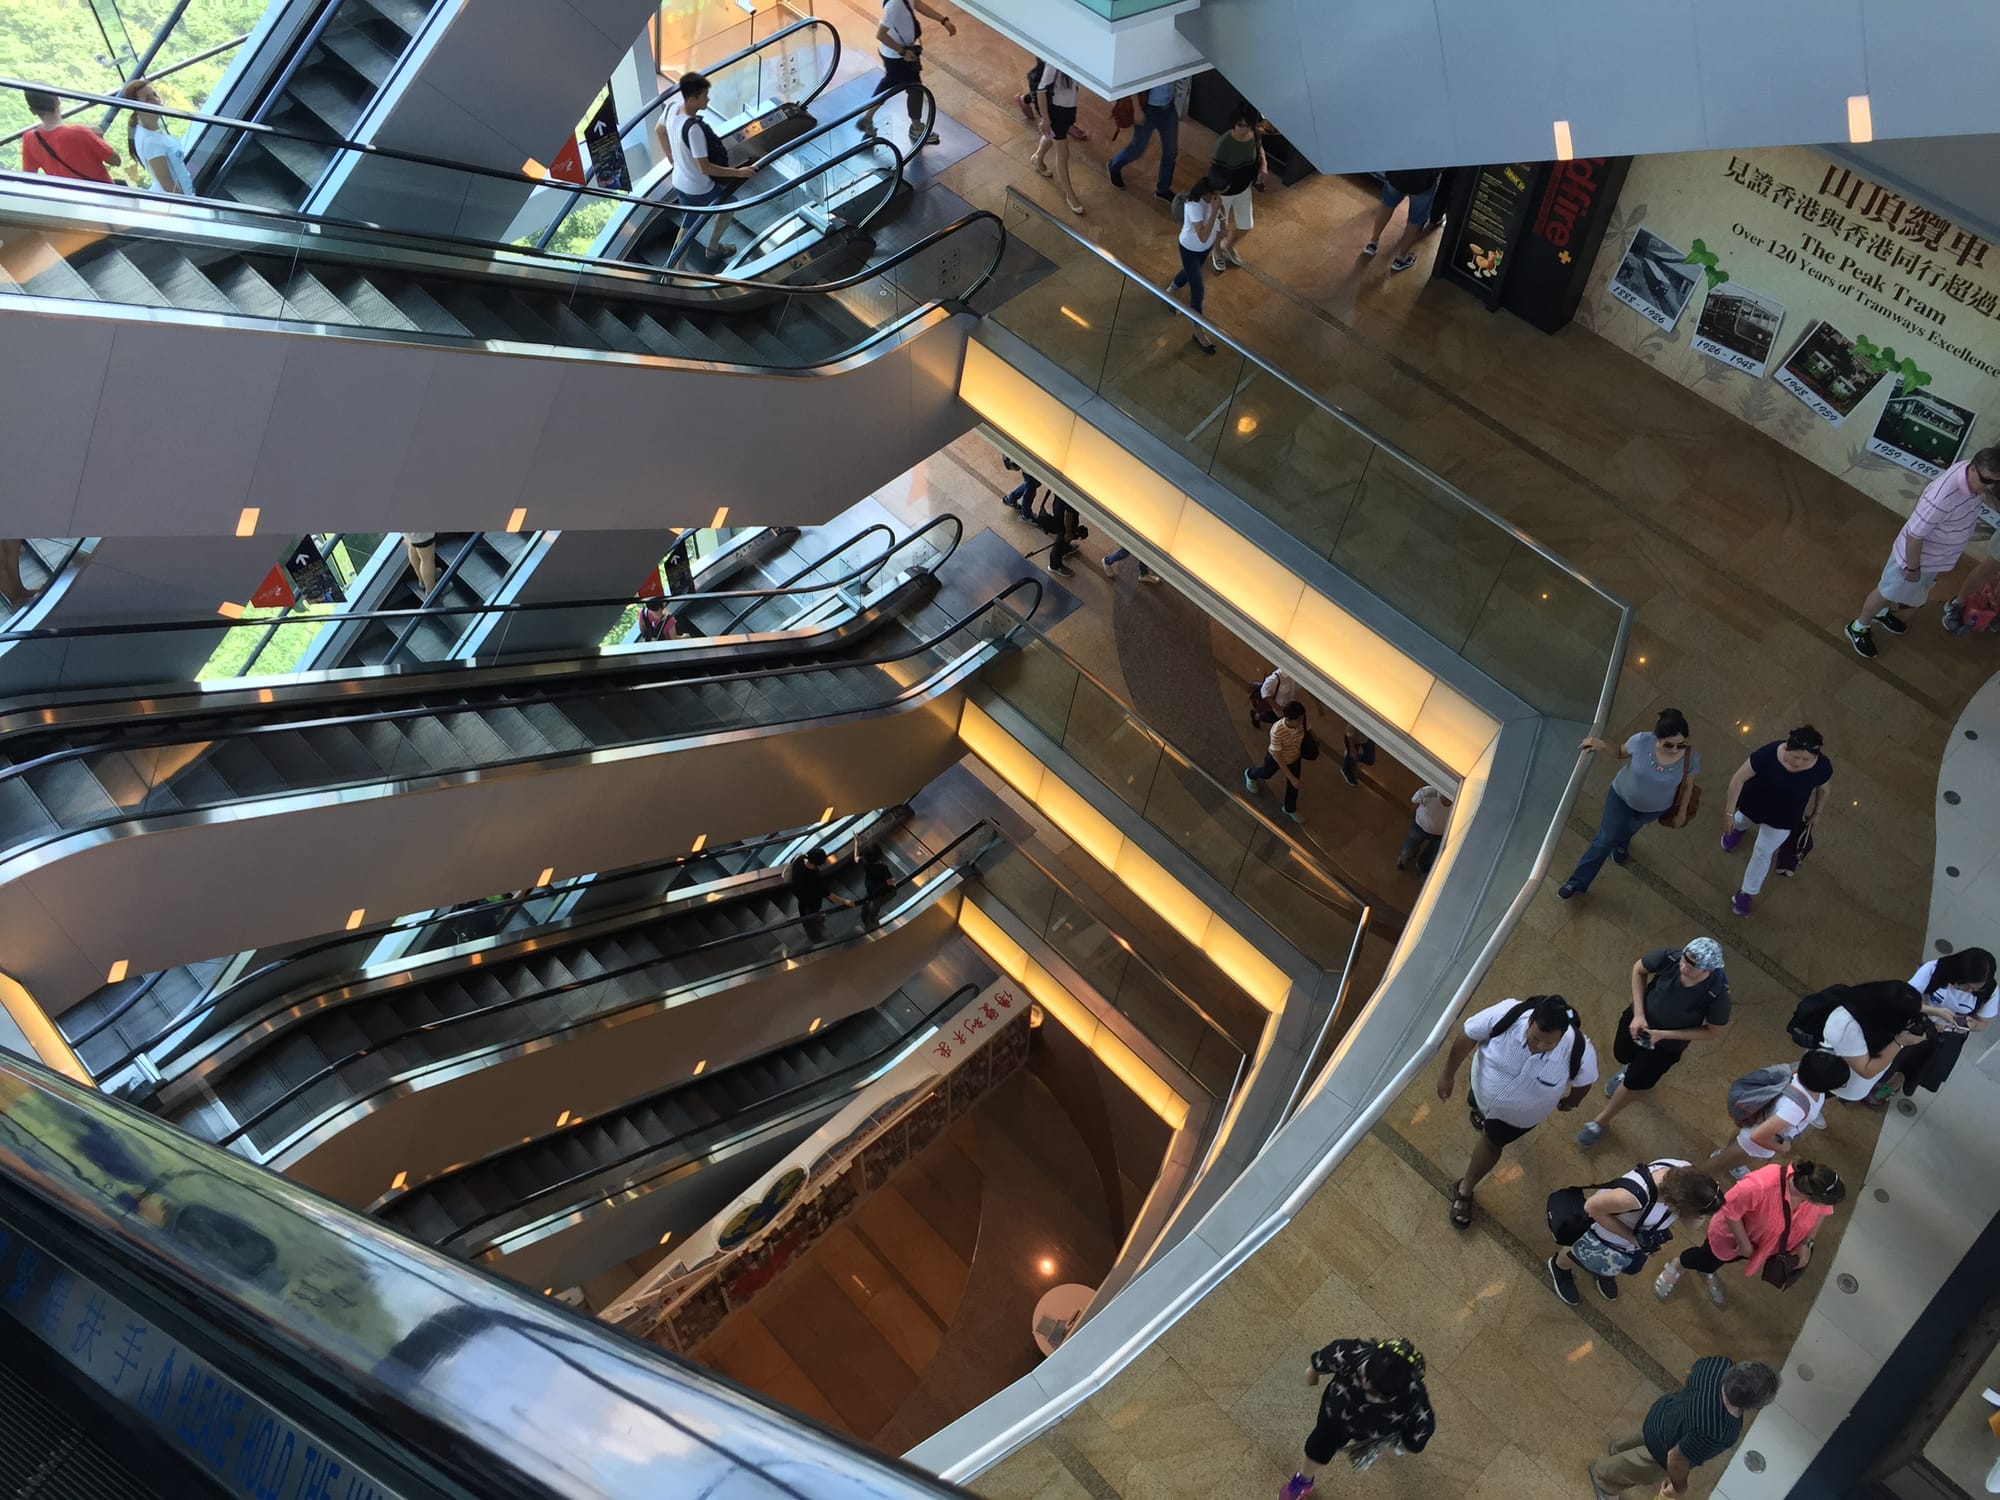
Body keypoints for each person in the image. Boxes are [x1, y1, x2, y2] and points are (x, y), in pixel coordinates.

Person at [1434, 995, 1597, 1229]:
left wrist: (1572, 1101)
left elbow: (1585, 1082)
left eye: (1549, 1043)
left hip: (1516, 1119)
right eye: (1535, 1038)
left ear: (1562, 1036)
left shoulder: (1580, 1050)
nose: (1538, 1046)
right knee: (1477, 1104)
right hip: (1481, 1090)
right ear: (1530, 1021)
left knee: (1491, 1144)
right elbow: (1468, 1035)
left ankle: (1465, 1189)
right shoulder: (1507, 1014)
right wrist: (1447, 1074)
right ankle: (1480, 1112)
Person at [1576, 937, 1731, 1148]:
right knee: (1621, 1054)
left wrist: (1664, 1035)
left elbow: (1713, 1031)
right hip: (1638, 1022)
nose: (1684, 967)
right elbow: (1639, 969)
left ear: (1708, 971)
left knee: (1634, 1083)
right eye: (1684, 960)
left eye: (1692, 967)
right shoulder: (1669, 958)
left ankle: (1600, 1121)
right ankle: (1628, 1067)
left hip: (1666, 1047)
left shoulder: (1717, 995)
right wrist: (1639, 1014)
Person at [1847, 448, 2000, 659]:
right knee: (1886, 592)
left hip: (1933, 560)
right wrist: (1913, 567)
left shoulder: (1974, 480)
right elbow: (1914, 534)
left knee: (1899, 594)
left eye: (1994, 482)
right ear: (1972, 468)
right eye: (1986, 480)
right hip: (1915, 560)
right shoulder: (1943, 496)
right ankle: (1859, 626)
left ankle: (1881, 614)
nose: (1989, 487)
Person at [1656, 1160, 1844, 1309]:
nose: (1824, 1207)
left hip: (1758, 1246)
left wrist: (1807, 1243)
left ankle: (1707, 1269)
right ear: (1810, 1195)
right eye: (1820, 1203)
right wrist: (1744, 1244)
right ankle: (1680, 1264)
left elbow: (1823, 1210)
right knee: (1708, 1257)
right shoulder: (1760, 1185)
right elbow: (1729, 1208)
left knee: (1720, 1261)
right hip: (1732, 1240)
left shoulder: (1817, 1186)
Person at [1557, 709, 1699, 900]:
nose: (1675, 750)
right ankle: (1577, 882)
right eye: (1669, 744)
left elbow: (1688, 785)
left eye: (1680, 745)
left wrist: (1681, 813)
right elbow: (1620, 752)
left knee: (1631, 828)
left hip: (1653, 809)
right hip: (1621, 797)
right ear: (1657, 737)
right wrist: (1600, 744)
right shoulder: (1641, 741)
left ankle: (1622, 843)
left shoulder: (1691, 758)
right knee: (1605, 839)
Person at [1590, 1357, 1780, 1499]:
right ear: (1751, 1405)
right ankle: (1603, 1480)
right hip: (1664, 1447)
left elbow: (1691, 1373)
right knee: (1638, 1464)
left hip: (1664, 1413)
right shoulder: (1720, 1431)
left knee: (1642, 1437)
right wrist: (1679, 1487)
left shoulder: (1719, 1365)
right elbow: (1676, 1458)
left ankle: (1617, 1450)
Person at [1278, 1337, 1435, 1500]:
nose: (1374, 1399)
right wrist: (1312, 1374)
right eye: (1372, 1391)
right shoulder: (1351, 1353)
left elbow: (1422, 1428)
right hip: (1335, 1420)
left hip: (1371, 1430)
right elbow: (1320, 1362)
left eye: (1384, 1397)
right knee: (1317, 1448)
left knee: (1349, 1443)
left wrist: (1403, 1444)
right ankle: (1303, 1480)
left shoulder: (1414, 1395)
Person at [1548, 1160, 1723, 1305]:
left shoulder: (1685, 1175)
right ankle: (1560, 1266)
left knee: (1624, 1263)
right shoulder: (1634, 1197)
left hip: (1631, 1238)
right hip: (1601, 1231)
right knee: (1579, 1247)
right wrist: (1633, 1238)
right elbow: (1592, 1207)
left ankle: (1600, 1270)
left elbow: (1691, 1225)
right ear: (1679, 1202)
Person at [1718, 725, 1832, 918]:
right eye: (1795, 757)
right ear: (1787, 748)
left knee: (1763, 853)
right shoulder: (1769, 754)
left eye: (1806, 759)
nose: (1799, 762)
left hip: (1784, 817)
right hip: (1754, 804)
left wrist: (1817, 812)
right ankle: (1738, 830)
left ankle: (1746, 893)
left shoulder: (1821, 766)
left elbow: (1824, 789)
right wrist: (1728, 813)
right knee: (1740, 820)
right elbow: (1737, 779)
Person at [1705, 1050, 1850, 1179]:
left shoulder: (1801, 1071)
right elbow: (1758, 1136)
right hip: (1754, 1142)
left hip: (1757, 1118)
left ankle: (1728, 1157)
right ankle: (1690, 1187)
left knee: (1732, 1146)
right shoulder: (1794, 1109)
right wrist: (1782, 1148)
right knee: (1714, 1167)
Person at [666, 72, 758, 261]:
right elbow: (705, 168)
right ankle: (713, 247)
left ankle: (675, 268)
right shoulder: (694, 130)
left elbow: (659, 130)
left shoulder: (671, 109)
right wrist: (738, 173)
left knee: (689, 222)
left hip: (679, 181)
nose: (708, 99)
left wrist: (673, 159)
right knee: (729, 204)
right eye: (704, 96)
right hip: (699, 188)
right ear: (692, 99)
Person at [1883, 947, 1999, 1097]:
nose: (1969, 991)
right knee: (1896, 1056)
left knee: (1919, 1066)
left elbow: (1983, 1022)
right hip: (1918, 1021)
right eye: (1965, 985)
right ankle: (1882, 1078)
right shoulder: (1933, 970)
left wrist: (1972, 1024)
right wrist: (1935, 1012)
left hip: (1945, 1038)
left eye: (1975, 988)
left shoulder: (1990, 991)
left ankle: (1895, 1083)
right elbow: (1904, 1000)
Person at [1806, 979, 1927, 1110]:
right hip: (1832, 1075)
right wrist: (1899, 1042)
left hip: (1839, 1073)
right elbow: (1867, 1070)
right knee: (1813, 1091)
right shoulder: (1847, 1028)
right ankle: (1810, 1108)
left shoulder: (1867, 1001)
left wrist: (1936, 1011)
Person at [858, 0, 956, 148]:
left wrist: (943, 20)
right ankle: (916, 128)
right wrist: (902, 52)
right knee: (915, 90)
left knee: (891, 83)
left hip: (898, 54)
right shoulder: (895, 4)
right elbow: (881, 34)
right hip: (898, 57)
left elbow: (918, 4)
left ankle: (867, 118)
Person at [1206, 106, 1266, 275]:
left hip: (1244, 188)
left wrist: (1264, 165)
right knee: (1218, 228)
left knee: (1246, 226)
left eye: (1248, 126)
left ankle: (1228, 246)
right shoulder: (1224, 144)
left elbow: (1260, 148)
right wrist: (1216, 200)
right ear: (1233, 125)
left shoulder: (1254, 135)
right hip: (1224, 193)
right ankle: (1216, 250)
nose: (1244, 130)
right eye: (1240, 125)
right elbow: (1214, 174)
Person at [1166, 176, 1222, 353]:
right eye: (1218, 193)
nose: (1220, 196)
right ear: (1209, 193)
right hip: (1190, 248)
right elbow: (1202, 235)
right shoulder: (1193, 206)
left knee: (1192, 271)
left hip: (1205, 248)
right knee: (1198, 290)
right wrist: (1214, 211)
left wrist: (1221, 218)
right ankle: (1198, 330)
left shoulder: (1213, 201)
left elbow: (1219, 217)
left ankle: (1171, 290)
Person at [19, 88, 118, 183]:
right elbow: (116, 161)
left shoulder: (29, 139)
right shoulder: (80, 132)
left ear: (32, 111)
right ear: (57, 100)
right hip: (103, 194)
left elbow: (29, 176)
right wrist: (100, 138)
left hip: (67, 197)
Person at [1028, 62, 1084, 216]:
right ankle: (1070, 195)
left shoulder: (1077, 61)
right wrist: (1046, 119)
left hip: (1068, 110)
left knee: (1051, 136)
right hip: (1056, 113)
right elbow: (1041, 90)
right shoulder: (1054, 64)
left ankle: (1037, 158)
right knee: (1063, 155)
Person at [1106, 81, 1178, 201]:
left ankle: (1163, 189)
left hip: (1168, 107)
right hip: (1148, 108)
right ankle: (1114, 165)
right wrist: (1137, 109)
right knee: (1137, 148)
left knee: (1171, 151)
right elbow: (1134, 80)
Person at [1364, 168, 1444, 273]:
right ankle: (1401, 259)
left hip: (1397, 173)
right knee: (1415, 220)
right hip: (1422, 182)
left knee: (1387, 204)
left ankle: (1372, 243)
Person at [122, 80, 193, 195]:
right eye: (148, 99)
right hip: (180, 202)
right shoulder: (150, 141)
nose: (156, 100)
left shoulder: (152, 128)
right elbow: (167, 184)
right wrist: (190, 205)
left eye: (154, 95)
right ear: (137, 107)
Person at [1244, 700, 1307, 824]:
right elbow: (1278, 757)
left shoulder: (1300, 722)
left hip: (1294, 757)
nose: (1302, 722)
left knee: (1293, 786)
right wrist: (1291, 777)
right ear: (1290, 719)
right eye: (1299, 719)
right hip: (1277, 758)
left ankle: (1289, 808)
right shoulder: (1277, 731)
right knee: (1267, 773)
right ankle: (1250, 774)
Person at [787, 848, 852, 942]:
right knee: (813, 909)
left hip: (798, 891)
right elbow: (828, 894)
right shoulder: (815, 877)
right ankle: (813, 921)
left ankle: (805, 920)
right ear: (818, 863)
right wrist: (845, 901)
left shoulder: (800, 859)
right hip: (812, 897)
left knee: (802, 905)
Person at [1397, 785, 1451, 872]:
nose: (1446, 800)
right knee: (1411, 847)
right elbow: (1414, 799)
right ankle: (1405, 858)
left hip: (1436, 832)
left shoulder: (1458, 804)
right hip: (1421, 826)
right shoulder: (1430, 791)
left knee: (1430, 853)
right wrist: (1426, 792)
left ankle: (1419, 866)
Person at [856, 840, 896, 928]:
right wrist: (892, 881)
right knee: (876, 904)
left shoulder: (864, 862)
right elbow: (890, 881)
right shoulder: (883, 868)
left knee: (868, 900)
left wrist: (857, 842)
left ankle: (865, 918)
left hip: (870, 887)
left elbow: (856, 857)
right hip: (880, 890)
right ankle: (872, 919)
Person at [1045, 495, 1081, 577]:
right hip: (1064, 517)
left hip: (1059, 507)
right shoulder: (1072, 495)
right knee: (1061, 538)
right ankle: (1055, 565)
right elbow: (1068, 515)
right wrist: (1068, 533)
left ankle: (1065, 548)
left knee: (1065, 535)